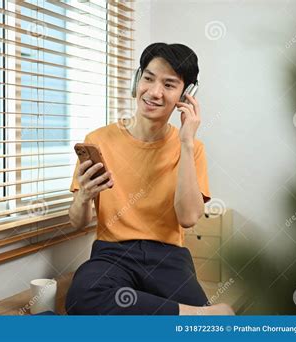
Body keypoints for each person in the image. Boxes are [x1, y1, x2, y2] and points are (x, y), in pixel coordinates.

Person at [65, 42, 235, 315]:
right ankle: (199, 315)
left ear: (186, 94)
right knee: (81, 296)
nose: (154, 92)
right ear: (137, 79)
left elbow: (189, 218)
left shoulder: (192, 148)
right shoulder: (97, 140)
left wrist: (187, 142)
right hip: (112, 253)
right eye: (148, 78)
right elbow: (78, 222)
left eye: (169, 85)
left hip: (168, 257)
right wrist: (83, 196)